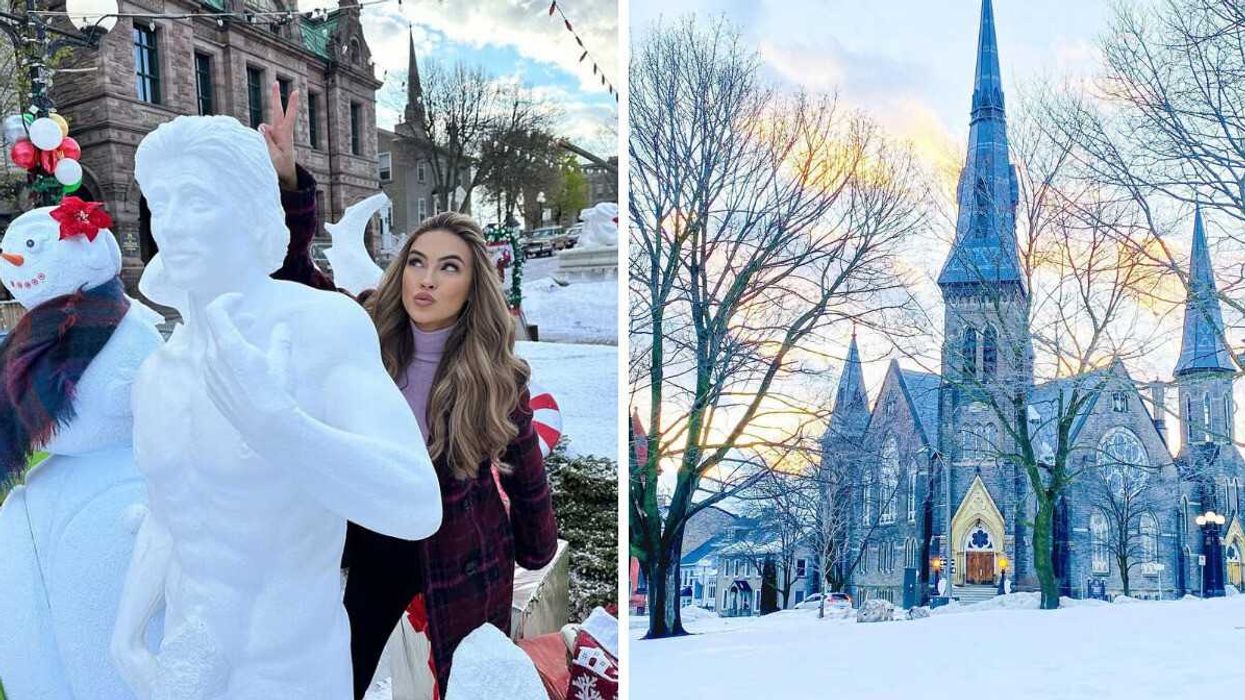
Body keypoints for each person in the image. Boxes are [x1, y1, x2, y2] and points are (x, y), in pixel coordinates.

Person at [111, 114, 443, 698]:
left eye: (197, 200)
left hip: (292, 666)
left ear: (250, 213)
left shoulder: (319, 327)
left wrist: (279, 428)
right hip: (189, 663)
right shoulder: (157, 372)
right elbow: (171, 511)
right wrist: (128, 634)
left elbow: (416, 503)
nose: (174, 224)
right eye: (162, 203)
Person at [261, 84, 559, 697]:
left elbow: (525, 468)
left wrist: (537, 545)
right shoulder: (364, 328)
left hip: (464, 544)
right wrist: (289, 181)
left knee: (470, 682)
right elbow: (295, 279)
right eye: (418, 260)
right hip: (373, 532)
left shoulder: (494, 372)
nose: (427, 278)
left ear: (471, 284)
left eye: (449, 266)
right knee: (337, 672)